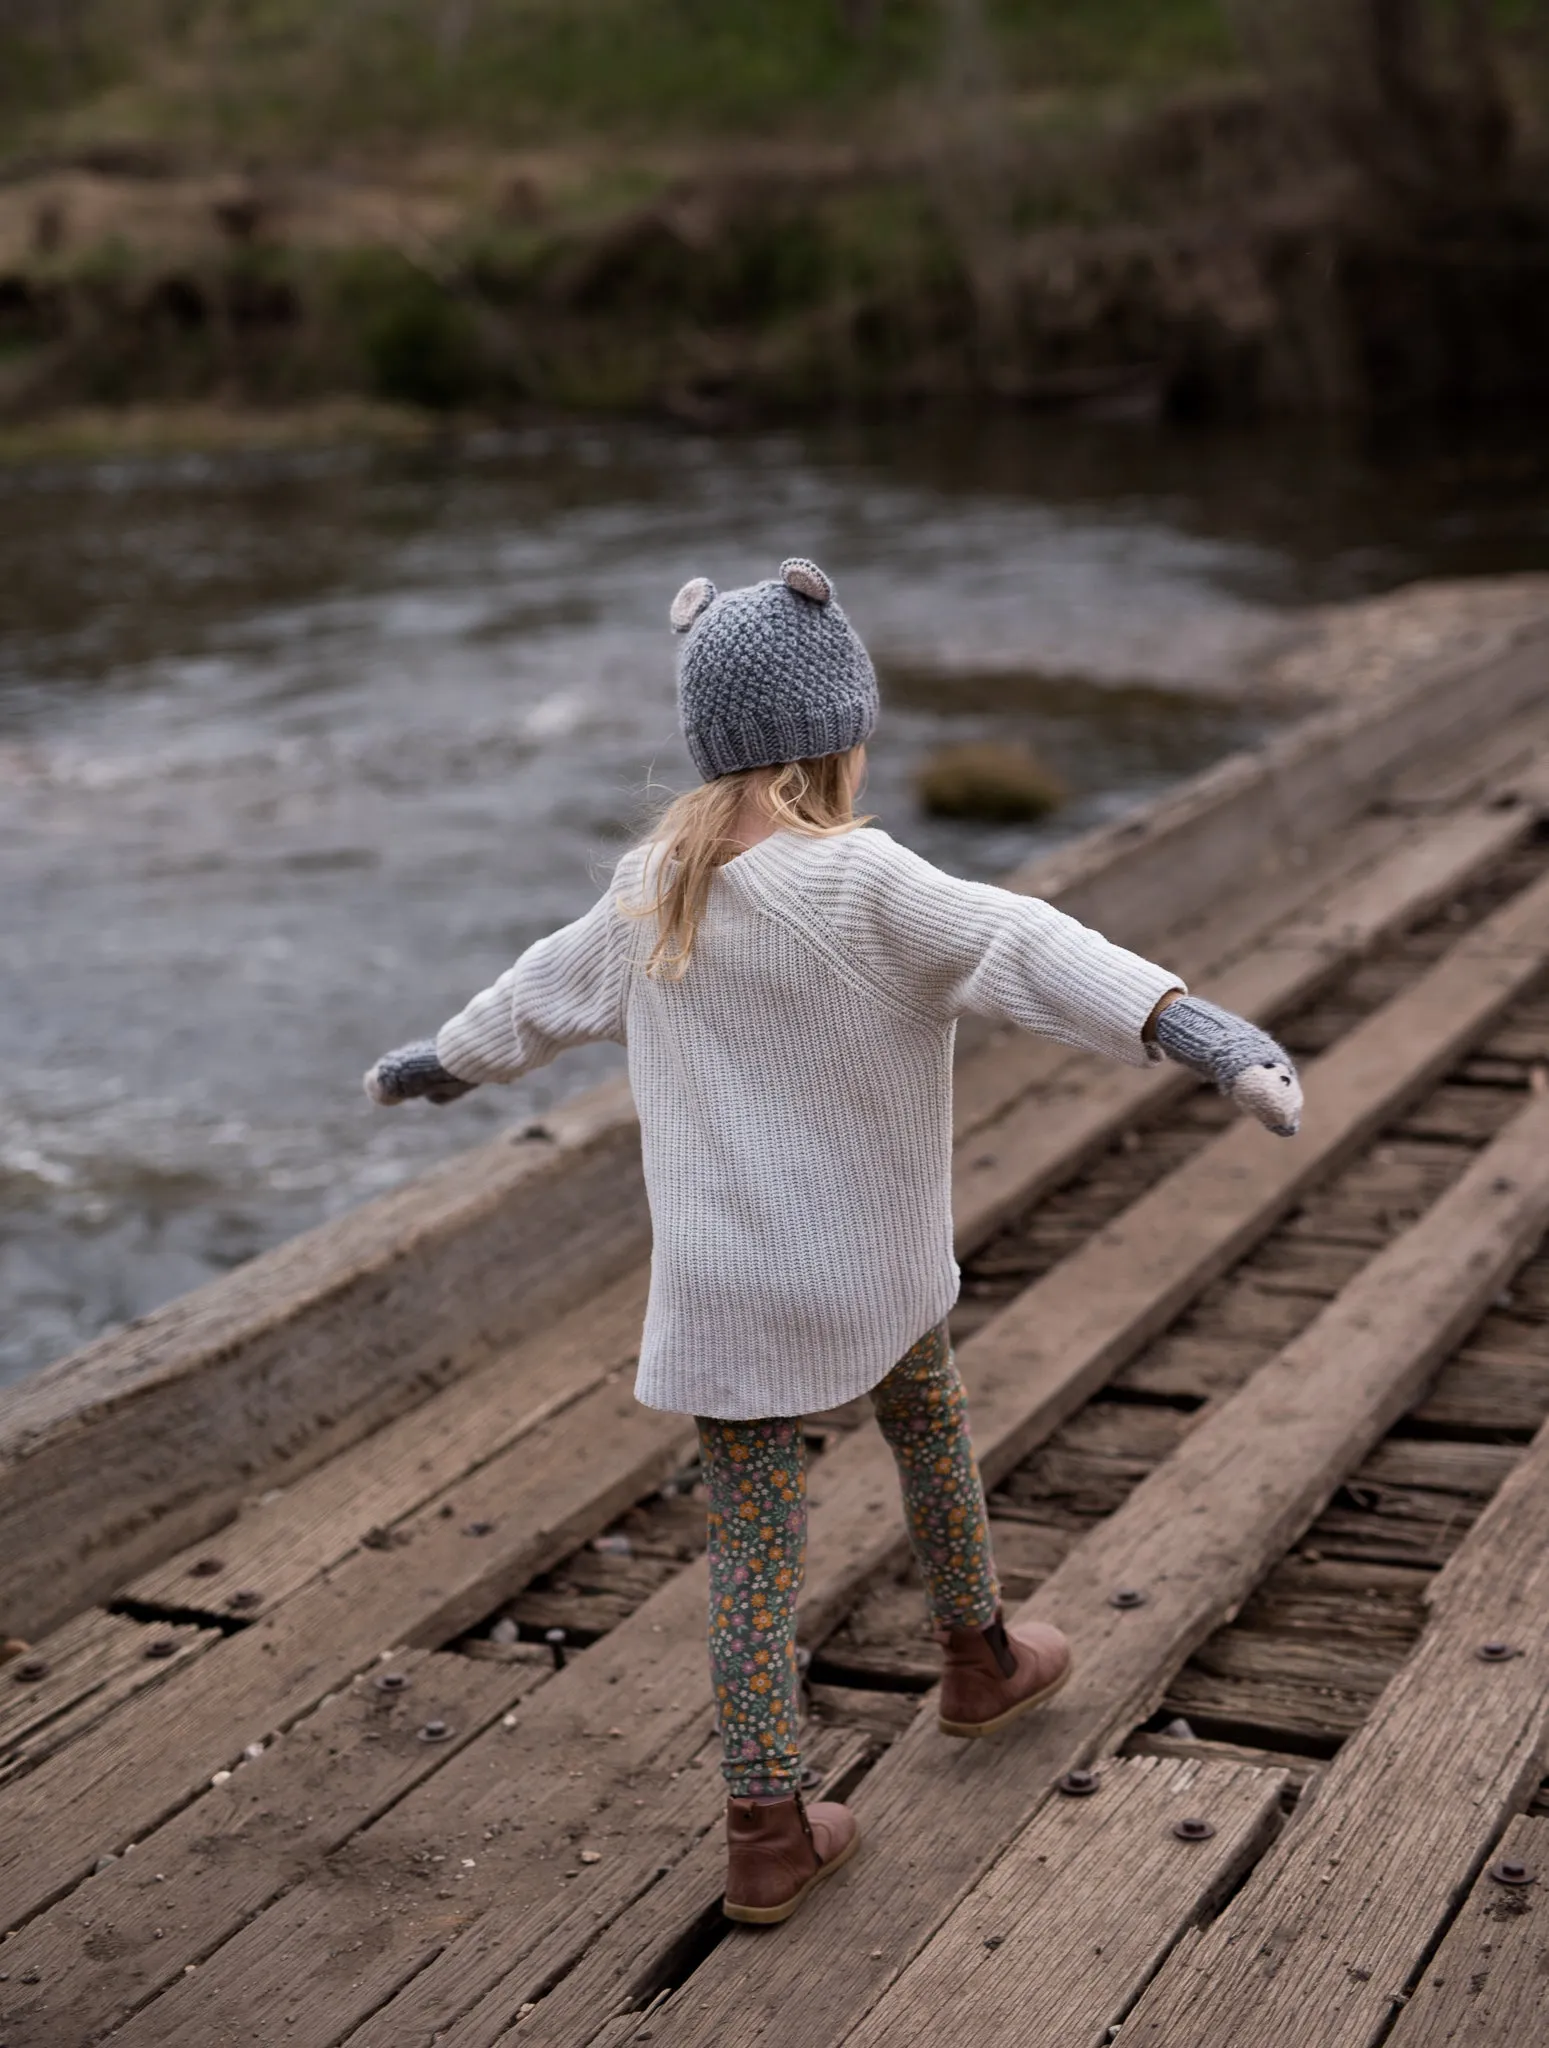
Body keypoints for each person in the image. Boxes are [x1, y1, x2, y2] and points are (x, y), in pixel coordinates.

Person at [364, 557, 1302, 1928]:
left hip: (724, 1289)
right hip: (871, 1263)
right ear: (837, 737)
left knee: (753, 1549)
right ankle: (978, 1660)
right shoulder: (864, 879)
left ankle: (765, 1827)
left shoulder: (652, 886)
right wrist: (1199, 1030)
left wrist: (431, 1067)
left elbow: (529, 1003)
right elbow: (1028, 944)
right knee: (928, 1423)